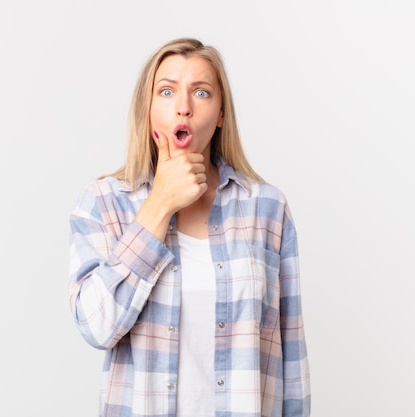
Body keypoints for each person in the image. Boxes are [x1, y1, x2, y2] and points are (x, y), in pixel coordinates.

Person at [69, 37, 310, 417]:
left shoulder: (268, 208)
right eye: (166, 91)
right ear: (147, 110)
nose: (183, 107)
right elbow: (97, 325)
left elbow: (290, 358)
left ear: (220, 115)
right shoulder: (104, 202)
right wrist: (160, 203)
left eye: (201, 92)